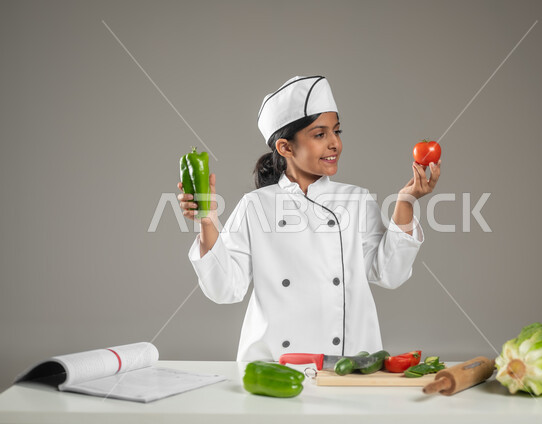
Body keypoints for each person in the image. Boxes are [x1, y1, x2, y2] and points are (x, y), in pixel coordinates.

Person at [177, 75, 442, 362]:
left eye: (337, 132)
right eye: (320, 134)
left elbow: (390, 274)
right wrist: (207, 221)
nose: (334, 144)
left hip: (348, 363)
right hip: (273, 365)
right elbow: (224, 289)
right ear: (285, 148)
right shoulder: (254, 206)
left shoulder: (356, 200)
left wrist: (406, 201)